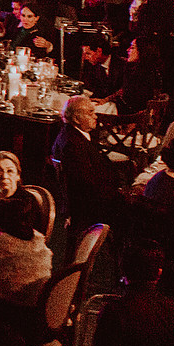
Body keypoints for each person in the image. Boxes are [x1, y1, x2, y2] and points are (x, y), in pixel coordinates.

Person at [53, 96, 123, 241]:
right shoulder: (73, 145)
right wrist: (119, 190)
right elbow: (86, 183)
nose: (95, 116)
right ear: (77, 118)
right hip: (88, 206)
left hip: (91, 197)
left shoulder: (73, 135)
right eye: (90, 112)